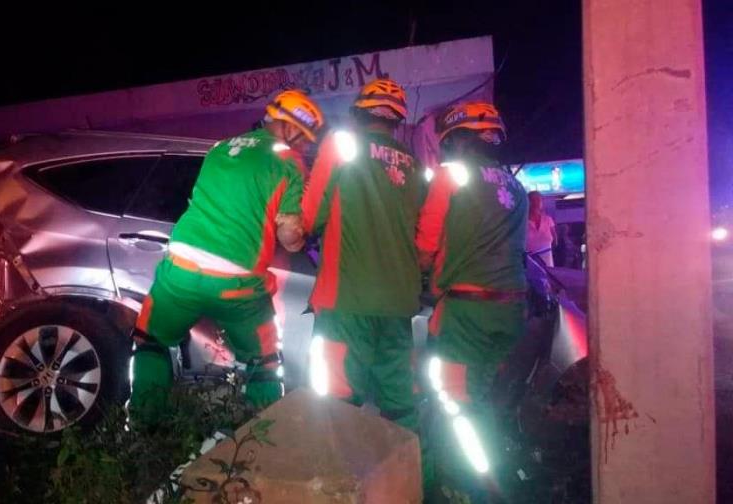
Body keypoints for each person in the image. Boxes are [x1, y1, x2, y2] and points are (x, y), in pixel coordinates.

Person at [130, 90, 324, 419]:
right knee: (264, 361)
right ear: (290, 128)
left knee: (150, 341)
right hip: (237, 283)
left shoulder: (219, 148)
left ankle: (142, 426)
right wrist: (303, 235)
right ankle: (261, 433)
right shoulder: (289, 161)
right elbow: (289, 237)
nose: (305, 146)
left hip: (181, 269)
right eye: (304, 138)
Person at [416, 101, 528, 502]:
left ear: (457, 140)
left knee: (455, 403)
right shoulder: (515, 187)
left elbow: (425, 248)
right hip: (511, 311)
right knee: (480, 398)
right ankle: (492, 470)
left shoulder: (451, 175)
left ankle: (474, 488)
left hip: (468, 312)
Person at [302, 78, 425, 433]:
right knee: (401, 406)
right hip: (398, 305)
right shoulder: (413, 165)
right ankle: (413, 467)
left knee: (335, 403)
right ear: (397, 120)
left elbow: (310, 215)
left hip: (347, 300)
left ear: (358, 113)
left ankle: (336, 469)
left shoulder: (342, 145)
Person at [526, 190, 557, 267]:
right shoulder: (522, 222)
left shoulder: (548, 220)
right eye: (532, 200)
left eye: (538, 200)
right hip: (530, 267)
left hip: (549, 266)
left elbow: (555, 242)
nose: (535, 203)